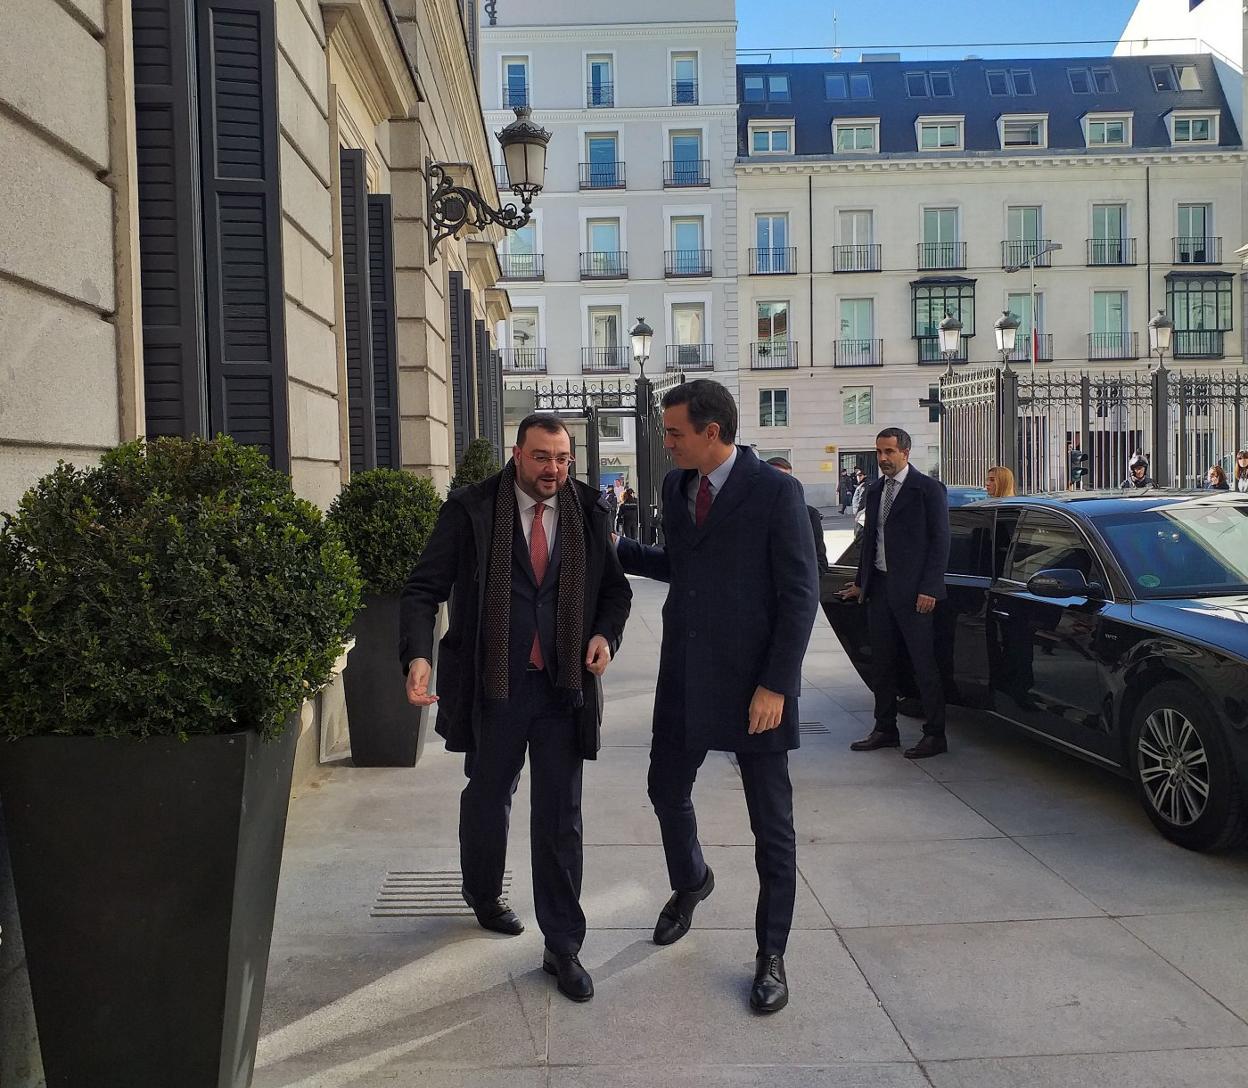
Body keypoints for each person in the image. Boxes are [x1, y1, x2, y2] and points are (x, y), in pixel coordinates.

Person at [399, 414, 632, 1003]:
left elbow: (615, 591)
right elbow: (424, 588)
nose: (552, 470)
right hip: (493, 685)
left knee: (561, 817)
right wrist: (416, 656)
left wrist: (604, 635)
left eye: (561, 458)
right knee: (487, 798)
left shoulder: (589, 509)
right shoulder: (471, 509)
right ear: (517, 453)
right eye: (541, 458)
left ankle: (564, 945)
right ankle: (483, 893)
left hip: (562, 690)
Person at [615, 379, 818, 1015]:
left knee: (772, 828)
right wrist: (614, 548)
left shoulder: (776, 492)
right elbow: (682, 565)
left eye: (674, 434)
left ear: (712, 432)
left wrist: (775, 685)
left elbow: (799, 595)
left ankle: (771, 955)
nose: (665, 444)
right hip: (684, 677)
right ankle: (692, 881)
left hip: (754, 688)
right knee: (664, 790)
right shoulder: (679, 488)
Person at [840, 427, 951, 759]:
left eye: (889, 452)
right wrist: (862, 581)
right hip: (882, 589)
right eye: (879, 452)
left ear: (906, 452)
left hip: (916, 592)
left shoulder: (927, 489)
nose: (884, 459)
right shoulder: (874, 490)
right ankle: (885, 728)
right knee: (883, 663)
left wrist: (930, 587)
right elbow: (868, 540)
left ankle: (935, 734)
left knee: (923, 664)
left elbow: (940, 541)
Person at [766, 456, 830, 574]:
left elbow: (820, 561)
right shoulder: (750, 514)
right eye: (774, 477)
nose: (780, 483)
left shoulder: (809, 515)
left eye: (785, 478)